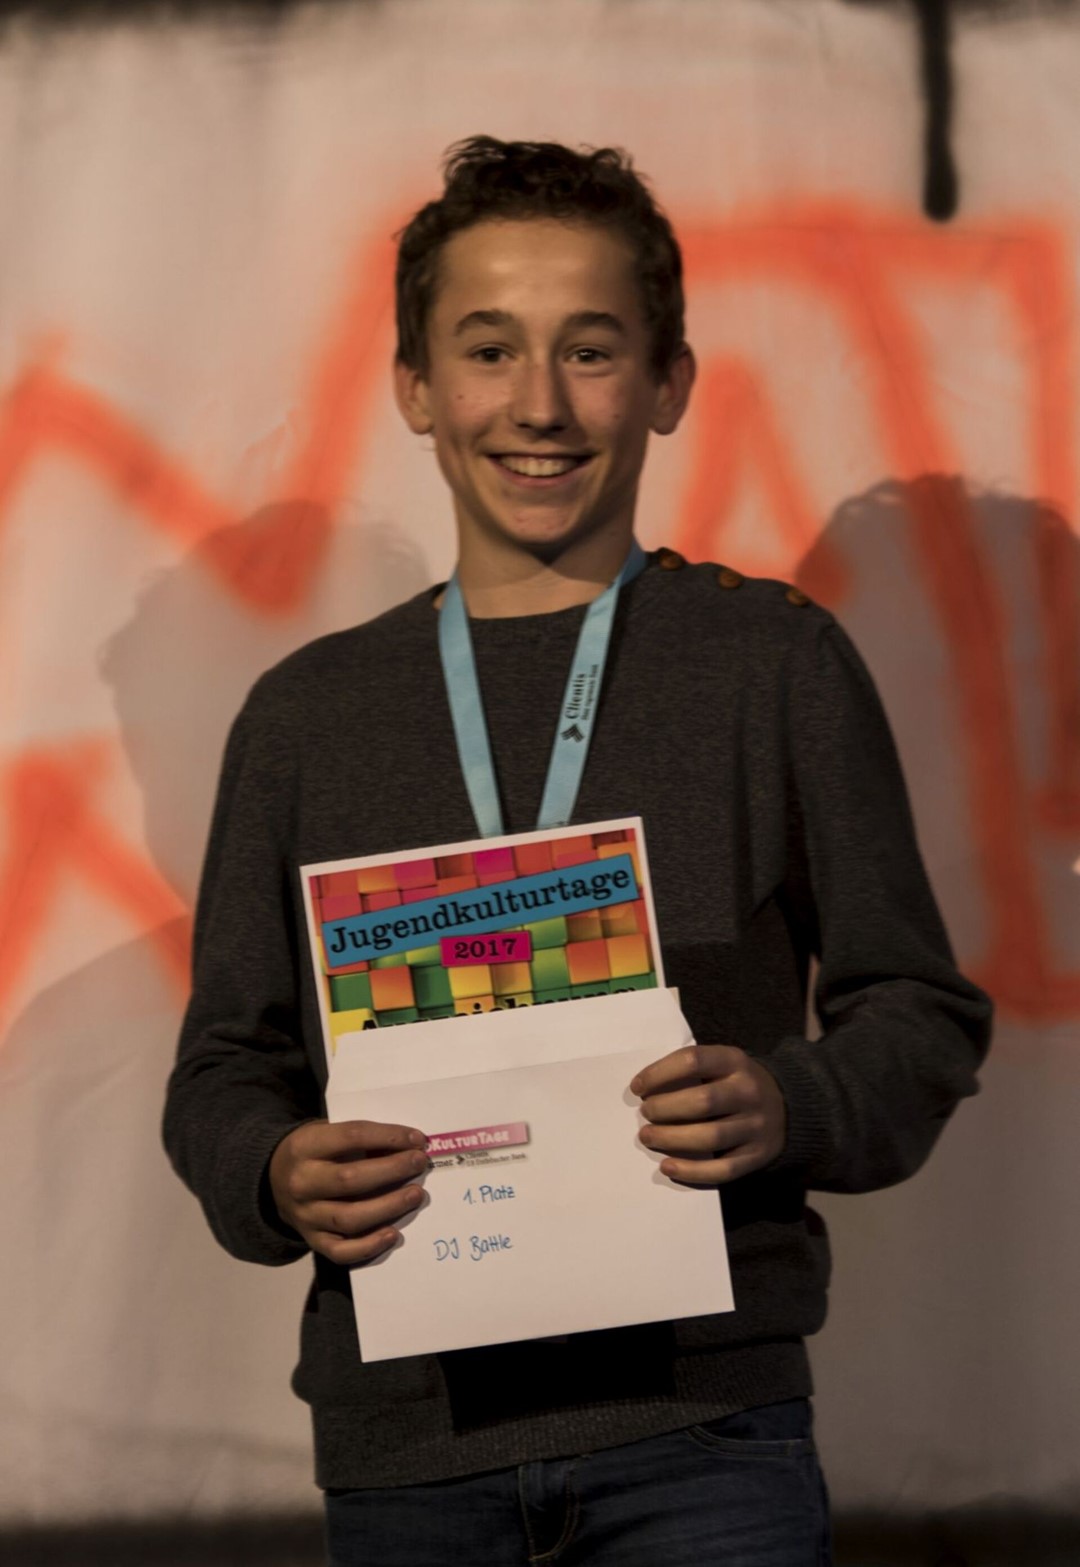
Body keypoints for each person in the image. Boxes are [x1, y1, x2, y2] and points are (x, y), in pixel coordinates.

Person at [164, 137, 992, 1567]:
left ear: (670, 383)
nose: (538, 404)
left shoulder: (773, 666)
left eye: (592, 351)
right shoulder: (306, 717)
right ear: (415, 385)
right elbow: (224, 1065)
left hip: (705, 1442)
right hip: (408, 1451)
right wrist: (274, 1168)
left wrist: (788, 1103)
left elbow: (918, 1013)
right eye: (489, 350)